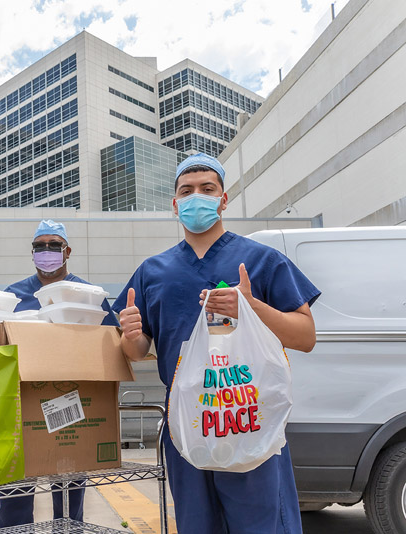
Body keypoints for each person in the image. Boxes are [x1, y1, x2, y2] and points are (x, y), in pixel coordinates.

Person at [112, 153, 321, 534]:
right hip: (187, 422)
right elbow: (139, 350)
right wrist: (130, 335)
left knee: (261, 523)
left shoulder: (261, 261)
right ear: (175, 205)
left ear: (223, 199)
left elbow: (305, 336)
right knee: (196, 524)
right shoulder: (152, 271)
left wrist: (252, 307)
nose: (197, 197)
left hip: (247, 417)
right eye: (187, 191)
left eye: (207, 189)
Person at [0, 219, 118, 528]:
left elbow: (110, 342)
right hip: (22, 400)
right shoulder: (12, 296)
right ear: (32, 252)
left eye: (54, 246)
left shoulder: (87, 295)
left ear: (68, 251)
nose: (46, 252)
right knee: (15, 489)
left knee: (68, 488)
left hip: (71, 398)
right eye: (40, 247)